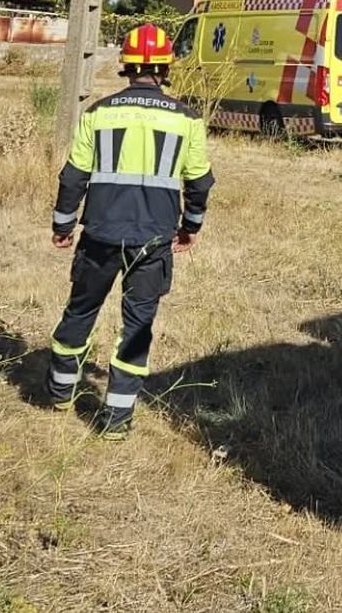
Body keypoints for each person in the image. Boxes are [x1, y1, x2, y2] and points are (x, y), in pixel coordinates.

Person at [45, 23, 215, 441]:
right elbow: (200, 183)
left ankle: (58, 396)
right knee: (137, 326)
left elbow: (72, 177)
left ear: (126, 64)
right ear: (164, 66)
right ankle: (116, 421)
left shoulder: (99, 113)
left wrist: (63, 224)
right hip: (154, 242)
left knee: (80, 312)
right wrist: (189, 227)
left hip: (99, 236)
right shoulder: (187, 120)